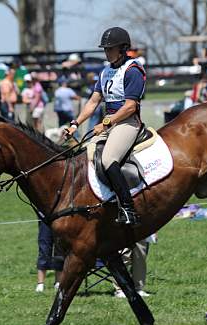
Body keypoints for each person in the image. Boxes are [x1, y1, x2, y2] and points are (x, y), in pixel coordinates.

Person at [64, 27, 145, 225]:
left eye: (110, 48)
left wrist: (106, 122)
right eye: (105, 49)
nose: (107, 52)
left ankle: (128, 208)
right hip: (109, 124)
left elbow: (130, 106)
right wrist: (75, 124)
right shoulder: (105, 72)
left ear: (123, 48)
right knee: (84, 156)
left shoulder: (133, 70)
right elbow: (92, 102)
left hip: (127, 123)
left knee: (108, 159)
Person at [35, 221, 63, 292]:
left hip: (61, 217)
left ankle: (58, 282)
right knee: (44, 249)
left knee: (60, 248)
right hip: (45, 218)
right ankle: (40, 284)